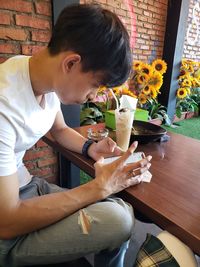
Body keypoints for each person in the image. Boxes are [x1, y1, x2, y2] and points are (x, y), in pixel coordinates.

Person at [0, 4, 152, 267]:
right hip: (8, 230)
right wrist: (98, 187)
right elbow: (7, 220)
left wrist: (90, 148)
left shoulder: (38, 75)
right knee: (120, 219)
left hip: (31, 188)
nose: (95, 96)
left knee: (119, 209)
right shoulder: (4, 104)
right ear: (71, 63)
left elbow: (59, 129)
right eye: (96, 85)